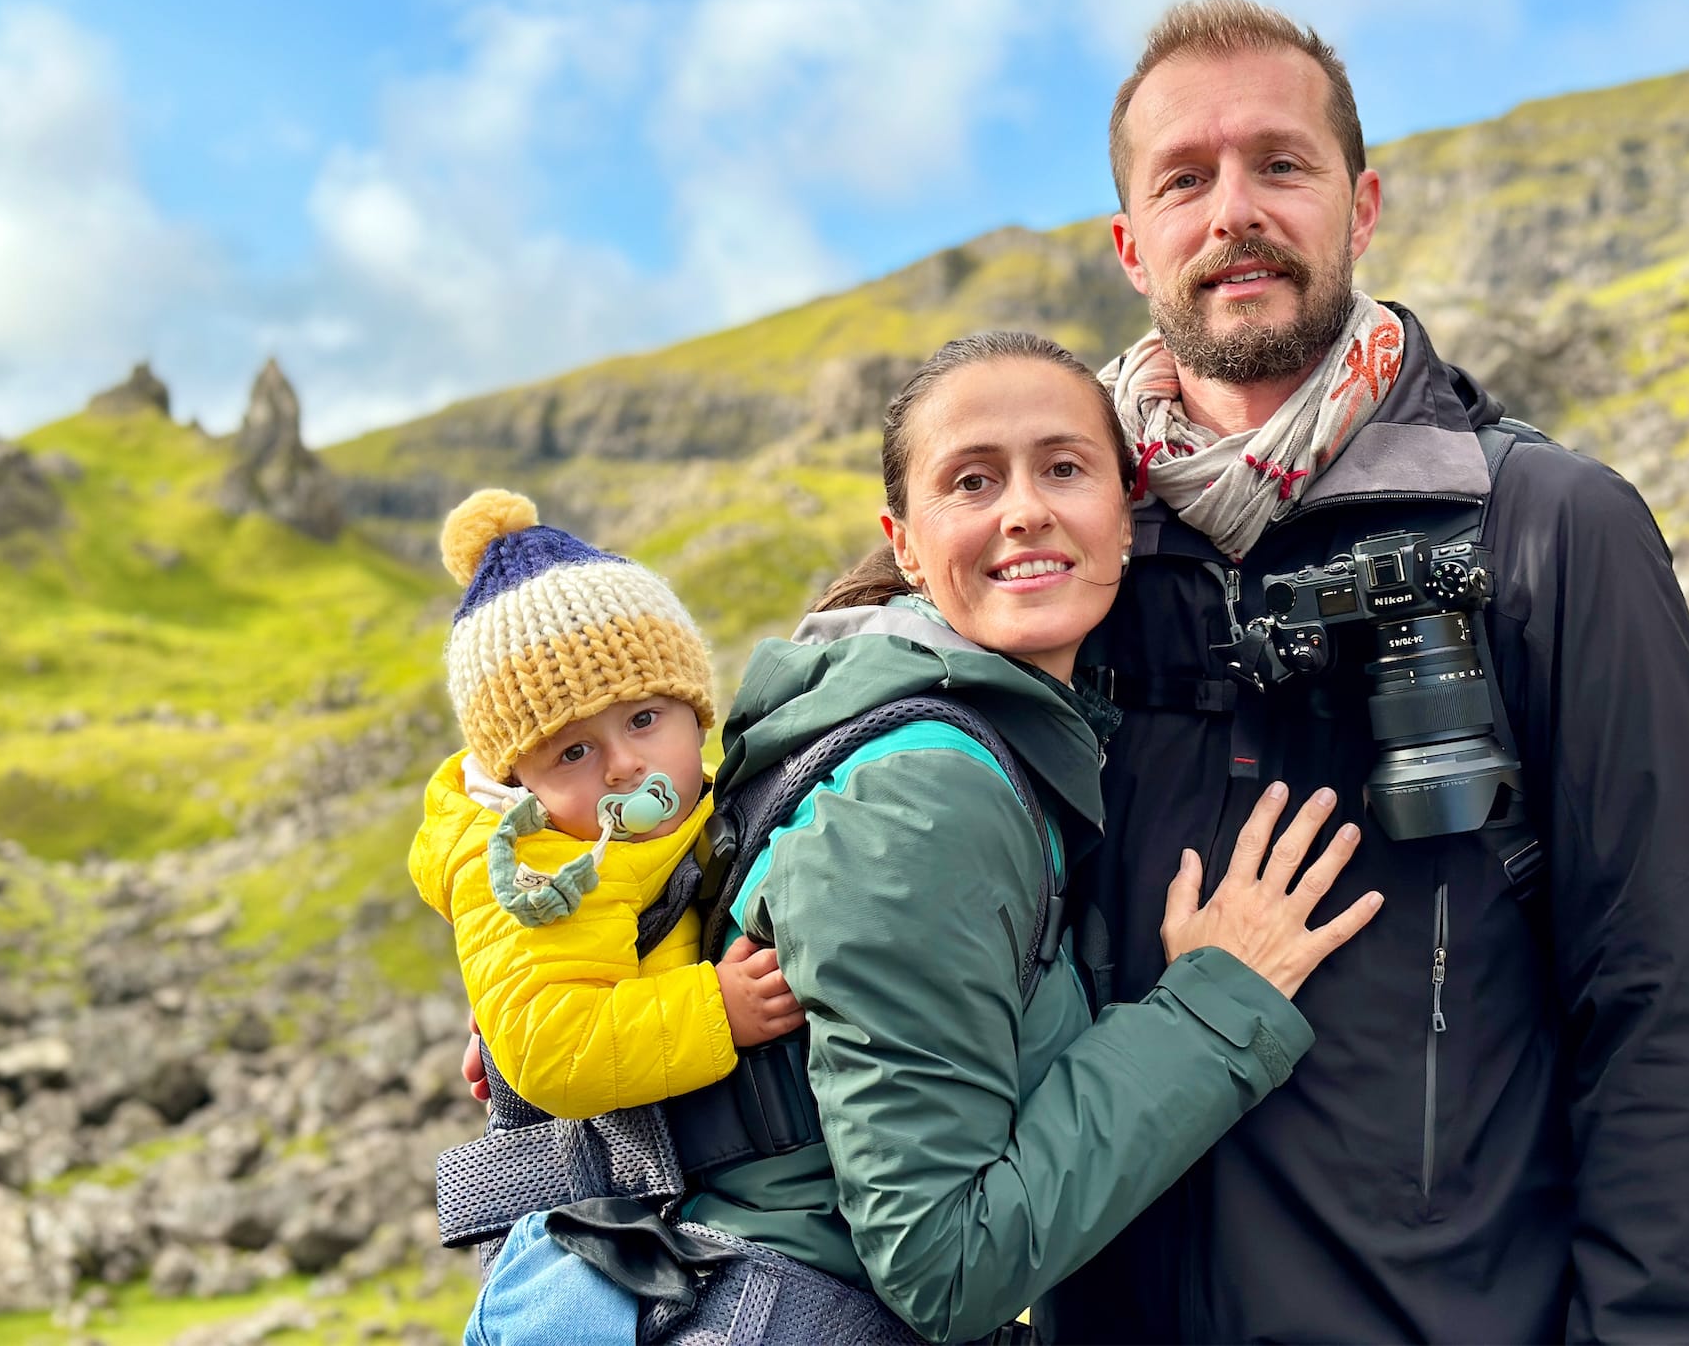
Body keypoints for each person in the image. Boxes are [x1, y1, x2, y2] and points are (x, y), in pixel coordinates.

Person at [1037, 0, 1689, 1344]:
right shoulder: (1058, 568)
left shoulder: (1547, 527)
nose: (1234, 210)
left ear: (1361, 206)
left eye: (1281, 164)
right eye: (1185, 178)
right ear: (1134, 245)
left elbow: (1669, 996)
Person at [469, 330, 1385, 1345]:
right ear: (903, 542)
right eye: (972, 481)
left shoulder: (871, 710)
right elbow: (942, 1265)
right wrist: (1211, 1010)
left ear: (1123, 511)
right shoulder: (921, 796)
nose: (1025, 508)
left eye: (1064, 468)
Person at [409, 489, 805, 1346]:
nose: (626, 765)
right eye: (575, 751)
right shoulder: (533, 873)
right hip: (581, 1216)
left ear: (694, 711)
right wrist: (717, 1010)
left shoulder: (701, 807)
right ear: (521, 780)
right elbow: (553, 1043)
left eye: (644, 719)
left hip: (670, 1188)